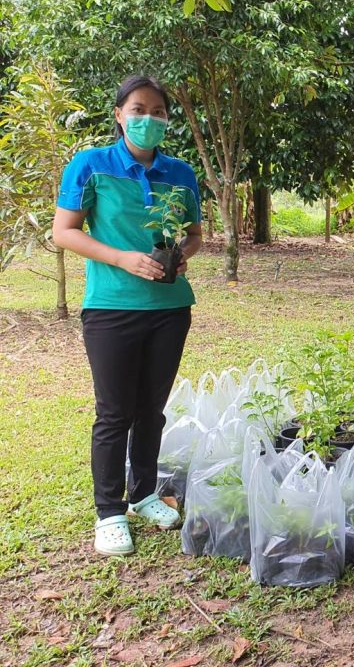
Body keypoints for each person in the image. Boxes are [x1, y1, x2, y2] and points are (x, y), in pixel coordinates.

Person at [52, 76, 203, 556]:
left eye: (158, 111)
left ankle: (142, 494)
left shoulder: (180, 172)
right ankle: (110, 512)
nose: (149, 119)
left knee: (150, 410)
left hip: (170, 307)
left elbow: (195, 233)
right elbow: (64, 232)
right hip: (112, 308)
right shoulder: (90, 165)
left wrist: (184, 255)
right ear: (119, 114)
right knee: (114, 413)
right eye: (139, 109)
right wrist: (121, 258)